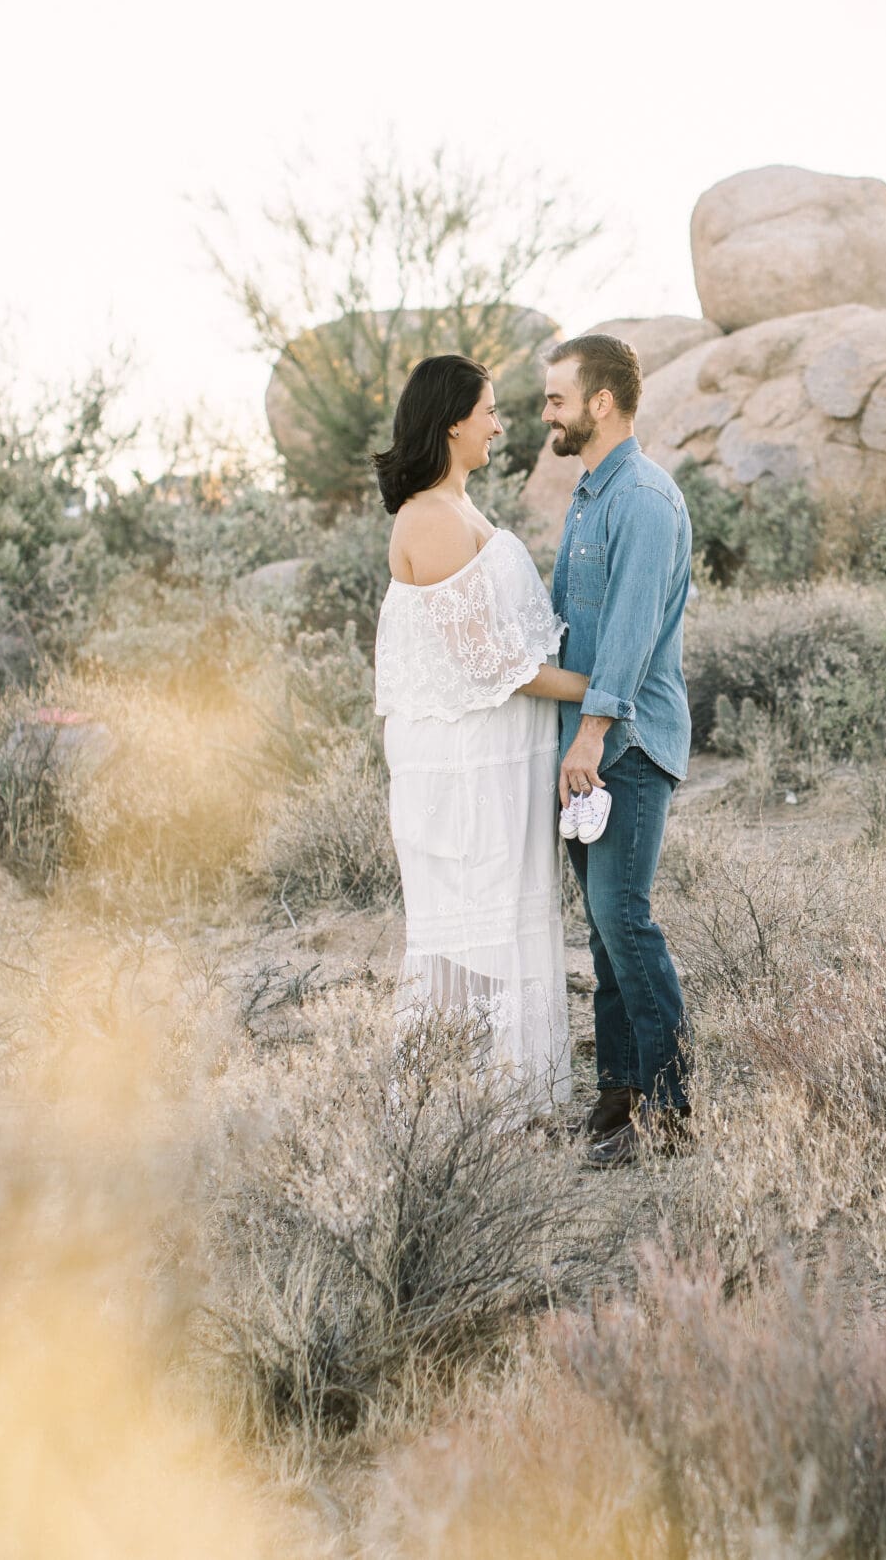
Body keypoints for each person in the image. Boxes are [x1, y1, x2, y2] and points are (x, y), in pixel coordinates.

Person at [371, 353, 587, 1117]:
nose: (500, 423)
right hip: (462, 763)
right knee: (475, 918)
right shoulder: (428, 517)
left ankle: (513, 1093)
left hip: (501, 756)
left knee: (508, 910)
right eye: (490, 410)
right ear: (453, 419)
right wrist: (604, 691)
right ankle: (458, 1107)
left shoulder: (461, 509)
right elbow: (489, 662)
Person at [541, 333, 695, 1167]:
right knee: (602, 932)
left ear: (601, 402)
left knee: (622, 919)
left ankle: (670, 1109)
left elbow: (632, 631)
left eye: (557, 398)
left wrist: (593, 732)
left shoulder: (641, 496)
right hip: (585, 748)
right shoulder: (590, 492)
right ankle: (619, 1096)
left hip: (625, 745)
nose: (547, 414)